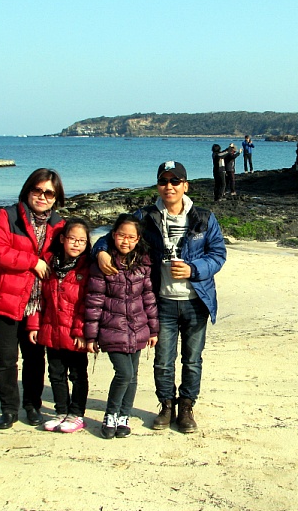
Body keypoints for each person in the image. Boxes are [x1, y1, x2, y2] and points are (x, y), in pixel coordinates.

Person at [93, 161, 226, 433]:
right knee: (163, 361)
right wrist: (101, 252)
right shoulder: (145, 216)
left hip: (196, 300)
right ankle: (166, 405)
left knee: (192, 359)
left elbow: (218, 254)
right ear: (158, 186)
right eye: (164, 181)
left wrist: (193, 269)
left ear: (185, 186)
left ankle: (186, 407)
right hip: (160, 301)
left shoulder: (203, 217)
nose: (169, 186)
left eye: (175, 181)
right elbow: (113, 235)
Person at [0, 168, 66, 430]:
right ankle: (8, 409)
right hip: (4, 299)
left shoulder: (59, 225)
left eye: (49, 193)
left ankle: (32, 405)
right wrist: (32, 261)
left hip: (38, 304)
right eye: (37, 190)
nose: (42, 196)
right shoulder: (7, 216)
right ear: (28, 190)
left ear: (56, 198)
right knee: (5, 358)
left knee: (35, 358)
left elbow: (71, 253)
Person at [84, 214, 159, 439]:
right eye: (121, 236)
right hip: (111, 330)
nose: (125, 241)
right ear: (113, 235)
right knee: (124, 373)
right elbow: (94, 302)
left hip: (138, 329)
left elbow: (148, 297)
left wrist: (153, 329)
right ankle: (110, 415)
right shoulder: (103, 264)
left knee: (133, 375)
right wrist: (91, 336)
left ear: (138, 239)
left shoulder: (143, 264)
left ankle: (123, 416)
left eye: (131, 237)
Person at [26, 218, 92, 433]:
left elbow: (88, 303)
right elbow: (38, 298)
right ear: (62, 239)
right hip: (51, 329)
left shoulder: (88, 268)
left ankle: (77, 414)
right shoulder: (48, 264)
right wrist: (34, 325)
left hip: (75, 333)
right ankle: (61, 411)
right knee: (55, 373)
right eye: (72, 239)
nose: (76, 244)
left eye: (82, 241)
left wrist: (82, 332)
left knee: (77, 375)